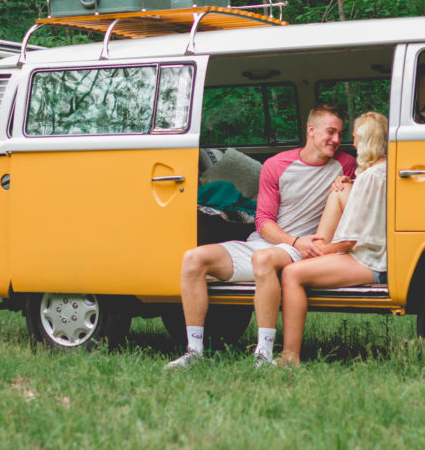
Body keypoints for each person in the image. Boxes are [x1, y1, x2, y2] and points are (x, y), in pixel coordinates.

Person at [165, 104, 357, 368]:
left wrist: (349, 183)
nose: (336, 140)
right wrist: (291, 240)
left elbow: (368, 187)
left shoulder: (346, 164)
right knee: (194, 259)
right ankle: (194, 351)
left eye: (340, 134)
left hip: (301, 250)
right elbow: (263, 220)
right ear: (311, 130)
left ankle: (263, 354)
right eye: (331, 132)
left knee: (264, 259)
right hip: (272, 242)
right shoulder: (276, 165)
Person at [279, 111, 388, 365]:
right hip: (376, 255)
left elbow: (350, 242)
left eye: (355, 138)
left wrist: (321, 251)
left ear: (366, 139)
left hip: (371, 261)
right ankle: (313, 247)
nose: (352, 143)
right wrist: (348, 183)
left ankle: (290, 356)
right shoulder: (381, 171)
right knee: (338, 192)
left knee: (291, 273)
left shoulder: (371, 177)